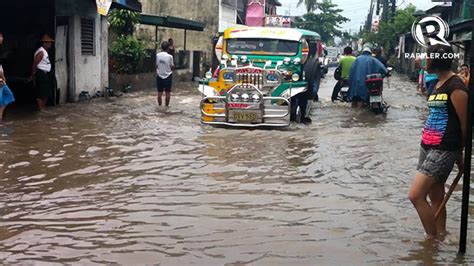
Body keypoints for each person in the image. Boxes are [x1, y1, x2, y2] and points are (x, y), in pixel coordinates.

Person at [408, 44, 468, 240]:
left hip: (444, 147)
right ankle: (440, 236)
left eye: (428, 57)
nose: (425, 60)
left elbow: (465, 125)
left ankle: (430, 241)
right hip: (427, 144)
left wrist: (461, 154)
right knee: (436, 196)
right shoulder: (437, 83)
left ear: (437, 60)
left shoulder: (456, 86)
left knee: (416, 195)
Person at [32, 34, 54, 111]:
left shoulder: (44, 51)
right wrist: (33, 74)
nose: (50, 44)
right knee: (41, 92)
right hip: (40, 73)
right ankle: (41, 109)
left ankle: (43, 108)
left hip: (45, 73)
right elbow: (35, 64)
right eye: (49, 42)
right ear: (44, 43)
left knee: (46, 92)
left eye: (50, 42)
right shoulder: (41, 52)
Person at [156, 41, 175, 107]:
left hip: (159, 75)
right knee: (167, 93)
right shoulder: (170, 57)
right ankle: (166, 107)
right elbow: (172, 67)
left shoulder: (157, 55)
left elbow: (156, 65)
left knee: (159, 93)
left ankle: (159, 106)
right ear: (168, 48)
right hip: (168, 76)